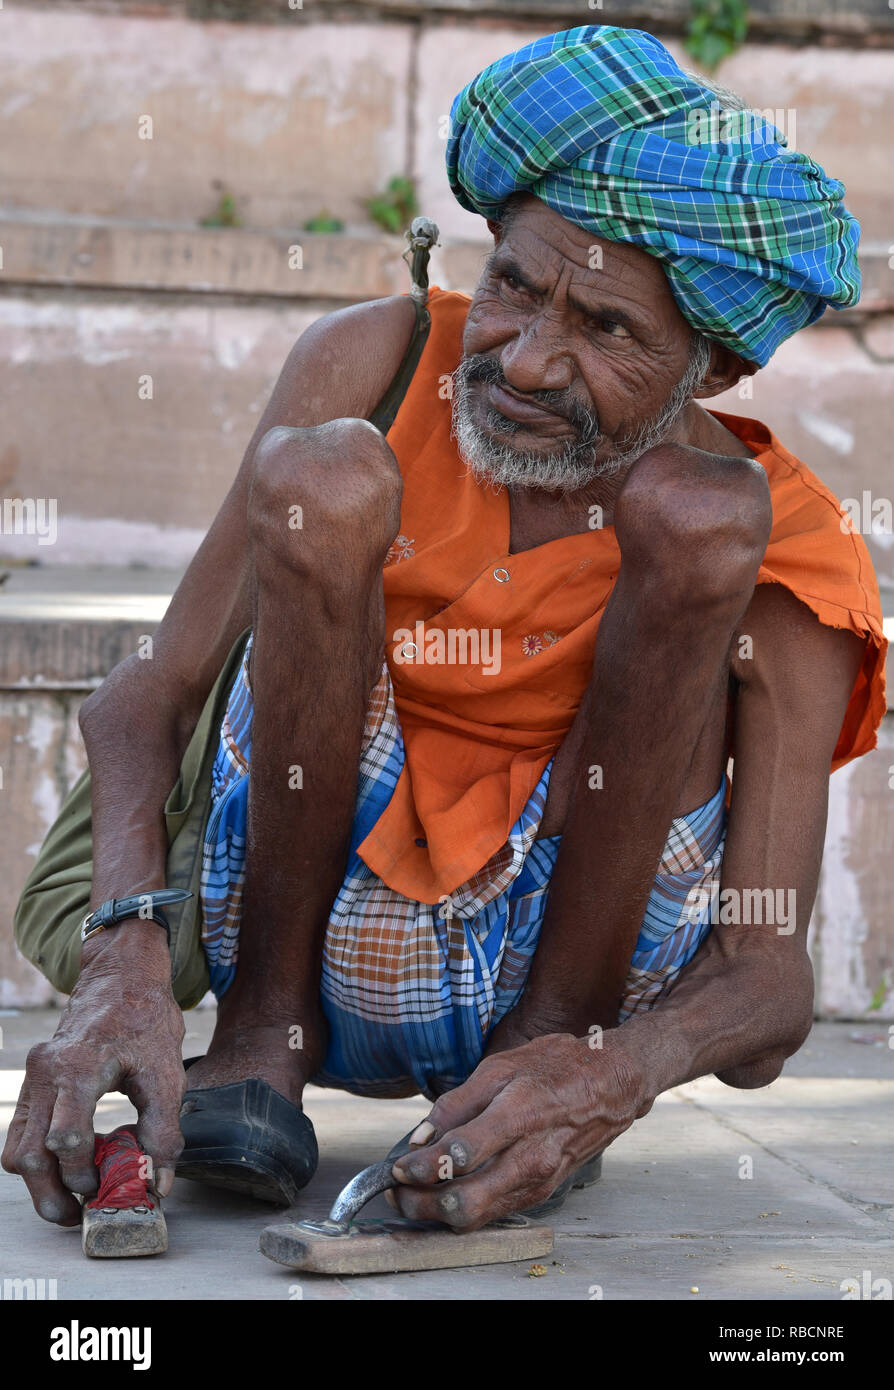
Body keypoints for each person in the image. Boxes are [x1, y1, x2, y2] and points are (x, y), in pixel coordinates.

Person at [6, 25, 885, 1234]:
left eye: (608, 329)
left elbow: (768, 976)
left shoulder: (786, 530)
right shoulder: (377, 357)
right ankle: (263, 1036)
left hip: (573, 955)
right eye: (517, 285)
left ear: (713, 371)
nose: (526, 359)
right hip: (291, 909)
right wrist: (121, 961)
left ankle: (530, 1068)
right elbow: (142, 698)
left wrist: (609, 1075)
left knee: (699, 516)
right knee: (326, 477)